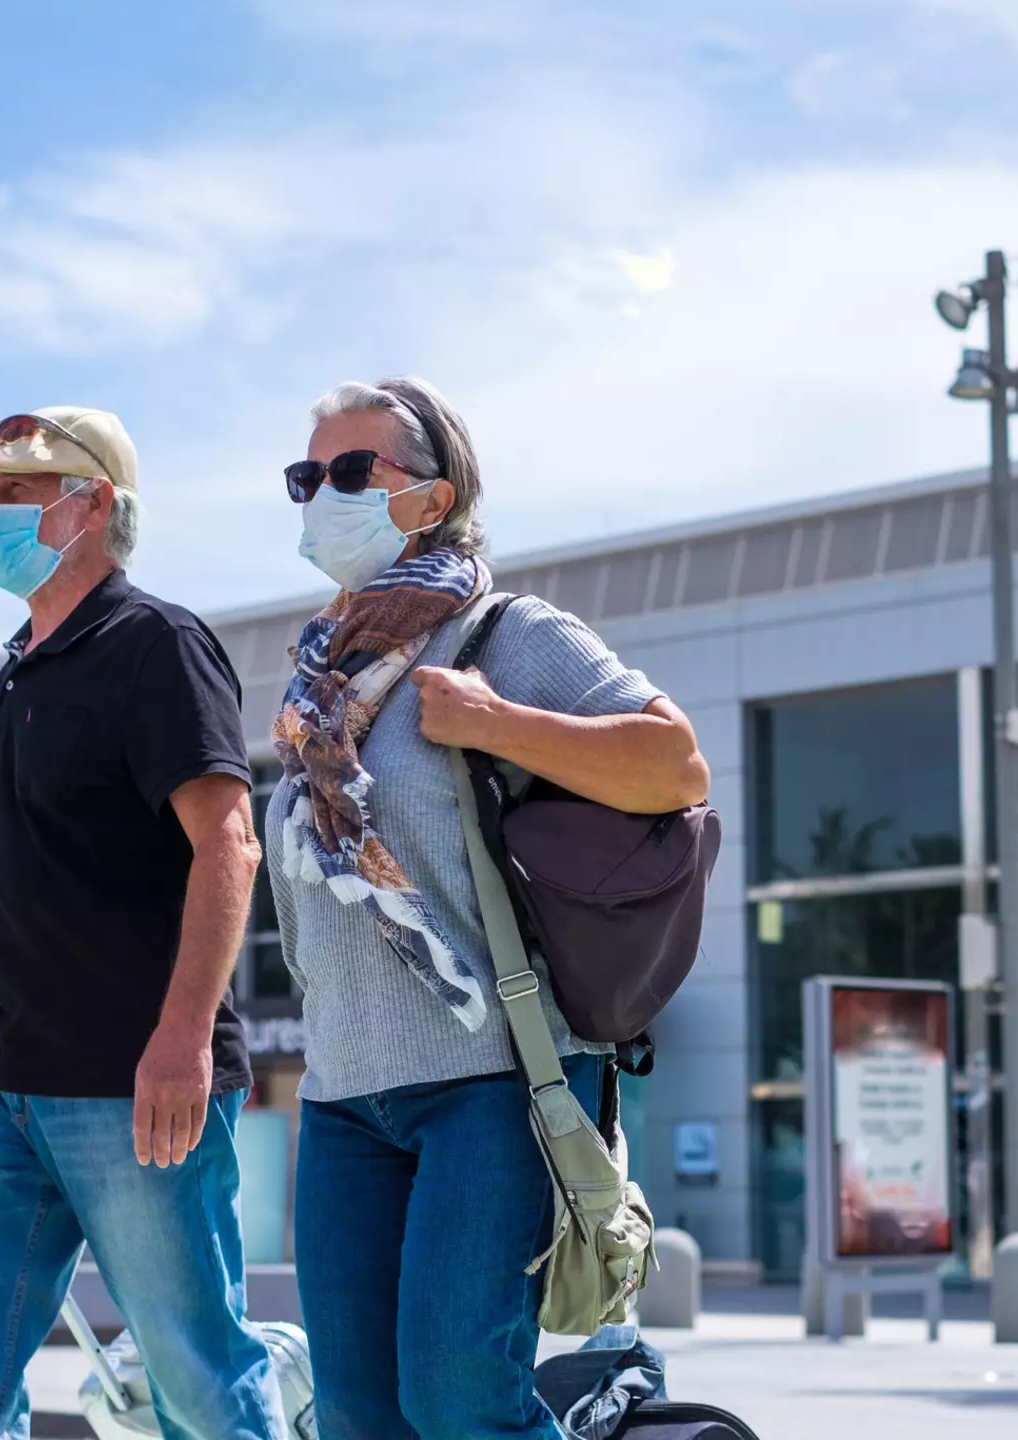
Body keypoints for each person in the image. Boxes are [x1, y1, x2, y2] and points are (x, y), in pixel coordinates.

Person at [267, 378, 710, 1438]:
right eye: (303, 476)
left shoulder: (504, 634)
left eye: (347, 473)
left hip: (488, 1082)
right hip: (342, 1097)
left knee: (461, 1405)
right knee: (361, 1420)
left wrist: (497, 723)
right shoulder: (322, 676)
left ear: (432, 495)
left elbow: (673, 766)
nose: (317, 496)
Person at [0, 409, 282, 1440]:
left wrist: (179, 1041)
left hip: (135, 1091)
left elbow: (229, 845)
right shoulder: (20, 664)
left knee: (196, 1377)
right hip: (0, 1083)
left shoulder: (154, 644)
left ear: (93, 505)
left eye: (16, 492)